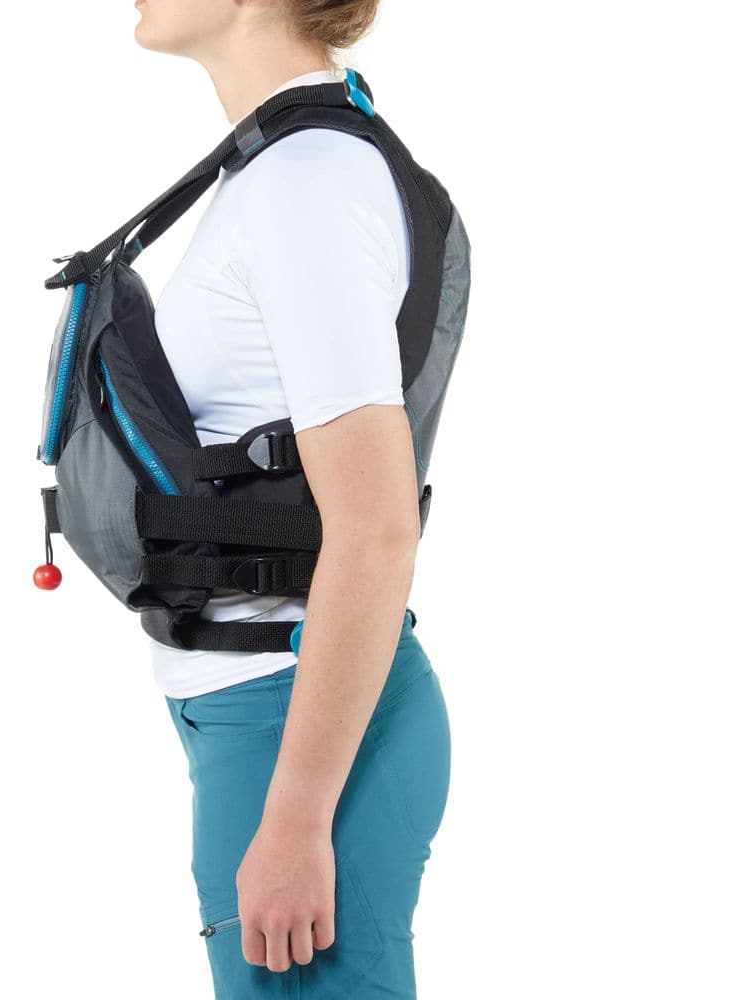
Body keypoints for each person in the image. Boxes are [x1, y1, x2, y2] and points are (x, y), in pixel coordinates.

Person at [135, 1, 452, 996]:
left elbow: (378, 528)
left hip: (294, 723)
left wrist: (298, 813)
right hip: (264, 711)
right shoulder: (279, 168)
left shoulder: (304, 183)